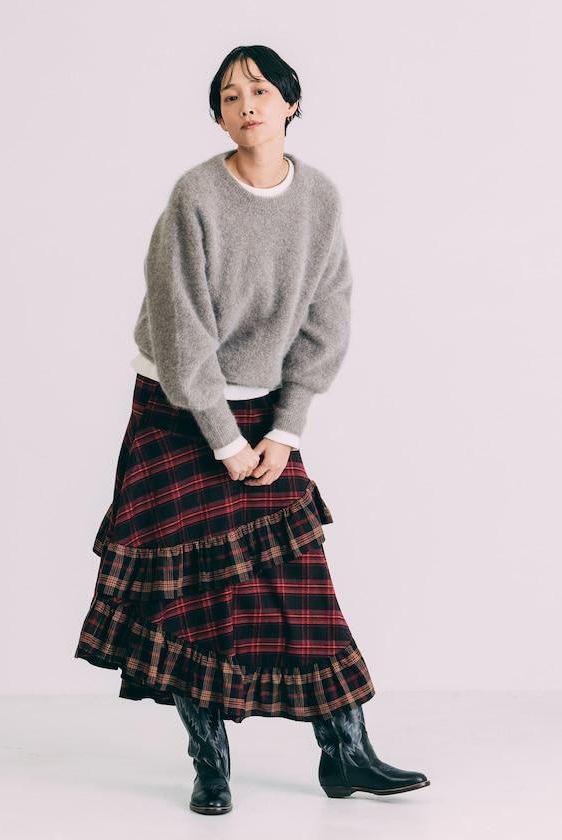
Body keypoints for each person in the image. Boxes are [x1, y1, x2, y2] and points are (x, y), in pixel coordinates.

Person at [74, 44, 429, 816]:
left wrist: (285, 430)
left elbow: (327, 317)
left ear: (292, 103)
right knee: (193, 598)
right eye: (230, 96)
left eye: (260, 90)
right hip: (176, 409)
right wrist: (224, 441)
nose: (247, 105)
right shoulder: (196, 195)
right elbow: (181, 330)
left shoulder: (320, 199)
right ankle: (210, 767)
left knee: (304, 583)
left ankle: (346, 755)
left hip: (263, 413)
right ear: (219, 117)